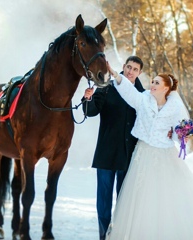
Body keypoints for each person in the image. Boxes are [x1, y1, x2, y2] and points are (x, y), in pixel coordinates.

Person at [105, 64, 193, 240]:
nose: (152, 84)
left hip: (165, 156)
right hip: (143, 154)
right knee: (141, 199)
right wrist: (114, 74)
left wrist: (180, 136)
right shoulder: (143, 99)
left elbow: (178, 133)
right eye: (152, 81)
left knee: (165, 198)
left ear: (166, 88)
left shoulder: (174, 107)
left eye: (156, 83)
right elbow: (128, 92)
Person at [82, 56, 144, 240]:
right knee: (104, 201)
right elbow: (91, 111)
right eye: (129, 67)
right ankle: (103, 235)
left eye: (135, 69)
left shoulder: (143, 95)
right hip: (106, 154)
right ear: (123, 67)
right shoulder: (107, 88)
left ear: (139, 73)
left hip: (129, 156)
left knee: (124, 201)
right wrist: (87, 98)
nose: (131, 71)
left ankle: (120, 235)